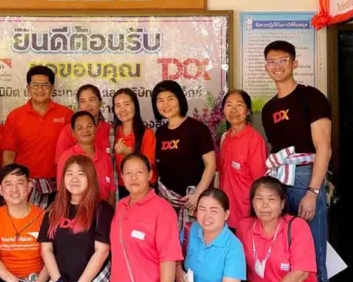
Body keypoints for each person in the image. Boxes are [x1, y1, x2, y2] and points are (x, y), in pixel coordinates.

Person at [261, 40, 332, 282]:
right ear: (266, 67)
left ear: (294, 63)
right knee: (285, 246)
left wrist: (312, 192)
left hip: (305, 179)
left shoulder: (310, 96)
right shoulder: (269, 109)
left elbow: (323, 147)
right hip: (279, 181)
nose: (277, 66)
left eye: (283, 60)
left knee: (312, 246)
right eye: (272, 61)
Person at [108, 153, 182, 282]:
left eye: (139, 172)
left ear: (150, 175)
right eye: (128, 173)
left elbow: (168, 257)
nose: (133, 178)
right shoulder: (121, 207)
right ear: (121, 177)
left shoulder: (162, 209)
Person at [38, 155, 112, 282]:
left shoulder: (101, 209)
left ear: (91, 178)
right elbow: (47, 251)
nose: (74, 179)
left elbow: (102, 251)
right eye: (69, 174)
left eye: (81, 174)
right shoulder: (53, 210)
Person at [2, 65, 73, 208]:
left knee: (53, 227)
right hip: (24, 184)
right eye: (35, 85)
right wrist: (7, 184)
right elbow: (9, 154)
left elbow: (74, 153)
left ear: (52, 88)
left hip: (58, 183)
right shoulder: (15, 116)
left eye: (44, 85)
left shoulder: (66, 115)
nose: (40, 90)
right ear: (28, 89)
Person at [151, 80, 216, 226]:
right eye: (160, 100)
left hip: (193, 202)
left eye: (170, 98)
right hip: (168, 201)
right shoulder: (160, 133)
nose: (165, 104)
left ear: (180, 99)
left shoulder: (197, 129)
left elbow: (210, 165)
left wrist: (197, 194)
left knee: (193, 243)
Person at [218, 90, 268, 227]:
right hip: (225, 212)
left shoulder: (255, 140)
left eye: (239, 105)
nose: (233, 110)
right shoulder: (225, 138)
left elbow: (260, 182)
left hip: (245, 214)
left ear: (247, 111)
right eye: (228, 105)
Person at [56, 111, 116, 206]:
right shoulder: (66, 158)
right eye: (80, 128)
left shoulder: (105, 158)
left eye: (89, 126)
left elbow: (111, 191)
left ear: (95, 128)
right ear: (73, 133)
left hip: (102, 215)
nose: (86, 131)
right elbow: (62, 192)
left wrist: (108, 215)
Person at [112, 88, 156, 199]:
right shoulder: (113, 134)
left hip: (142, 187)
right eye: (118, 105)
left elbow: (149, 165)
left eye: (126, 104)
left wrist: (129, 153)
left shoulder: (147, 134)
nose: (122, 109)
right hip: (120, 187)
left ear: (135, 106)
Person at [54, 84, 112, 160]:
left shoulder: (110, 130)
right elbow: (61, 162)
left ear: (100, 102)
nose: (87, 104)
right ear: (79, 106)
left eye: (91, 100)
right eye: (83, 101)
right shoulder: (68, 131)